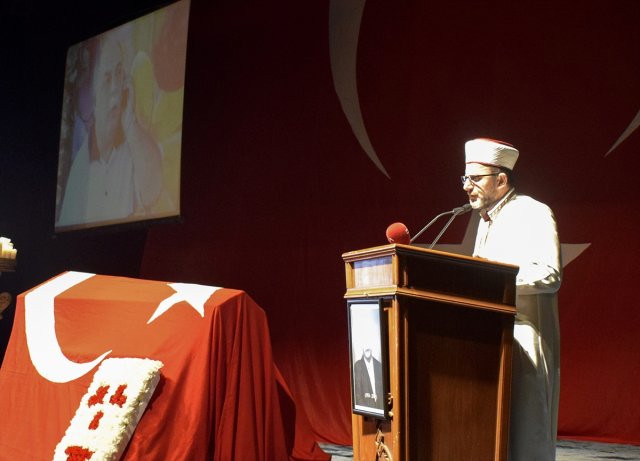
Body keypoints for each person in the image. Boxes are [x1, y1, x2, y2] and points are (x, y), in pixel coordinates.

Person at [462, 138, 562, 461]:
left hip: (525, 343)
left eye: (475, 178)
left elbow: (550, 274)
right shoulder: (485, 221)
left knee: (526, 439)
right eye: (465, 178)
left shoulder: (533, 212)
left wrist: (495, 282)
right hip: (488, 340)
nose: (466, 186)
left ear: (501, 180)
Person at [57, 33, 162, 227]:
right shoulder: (80, 171)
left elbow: (154, 191)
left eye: (119, 73)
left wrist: (130, 124)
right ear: (93, 96)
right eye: (106, 78)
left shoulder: (135, 142)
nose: (115, 89)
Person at [352, 347, 384, 411]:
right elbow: (358, 394)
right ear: (362, 349)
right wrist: (364, 410)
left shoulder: (379, 365)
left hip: (380, 408)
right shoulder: (358, 365)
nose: (367, 348)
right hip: (366, 409)